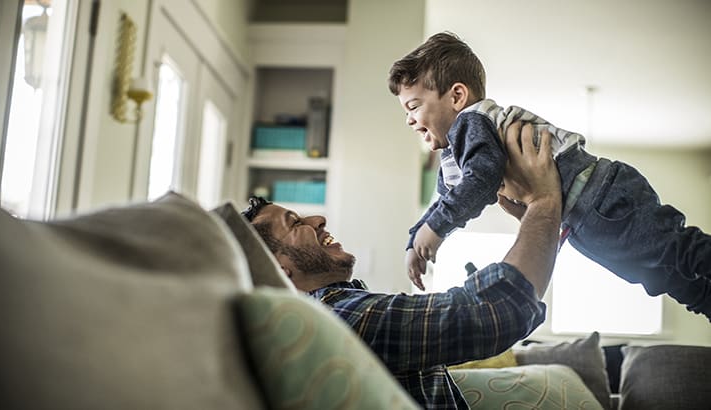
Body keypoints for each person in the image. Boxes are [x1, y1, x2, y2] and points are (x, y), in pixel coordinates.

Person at [389, 31, 711, 319]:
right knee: (659, 276)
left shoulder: (472, 123)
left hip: (601, 197)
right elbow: (447, 198)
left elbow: (481, 181)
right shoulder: (454, 151)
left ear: (457, 97)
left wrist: (435, 228)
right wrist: (415, 238)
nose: (409, 119)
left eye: (414, 106)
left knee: (678, 250)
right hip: (583, 219)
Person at [243, 123, 563, 409]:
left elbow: (501, 309)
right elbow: (495, 312)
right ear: (279, 270)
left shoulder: (340, 312)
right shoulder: (340, 315)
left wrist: (539, 221)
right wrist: (545, 202)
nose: (318, 219)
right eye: (295, 223)